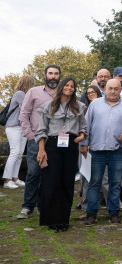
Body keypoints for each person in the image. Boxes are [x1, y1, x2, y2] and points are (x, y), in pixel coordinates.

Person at [34, 77, 86, 232]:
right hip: (52, 145)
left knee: (67, 182)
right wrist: (42, 150)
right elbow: (41, 130)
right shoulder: (48, 106)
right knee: (51, 182)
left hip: (70, 145)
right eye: (67, 85)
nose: (69, 88)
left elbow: (83, 127)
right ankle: (52, 219)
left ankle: (64, 220)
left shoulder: (79, 106)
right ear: (61, 87)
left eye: (72, 86)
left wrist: (81, 136)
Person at [82, 79, 122, 225]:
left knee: (115, 182)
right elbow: (86, 125)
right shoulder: (95, 104)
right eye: (110, 88)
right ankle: (91, 213)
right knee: (94, 182)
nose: (113, 91)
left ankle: (114, 212)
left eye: (116, 89)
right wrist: (84, 144)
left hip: (117, 150)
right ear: (105, 88)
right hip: (96, 150)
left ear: (120, 90)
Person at [17, 64, 60, 219]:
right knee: (34, 173)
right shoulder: (33, 92)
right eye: (50, 73)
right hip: (36, 138)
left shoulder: (63, 93)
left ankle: (45, 206)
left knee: (50, 174)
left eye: (56, 73)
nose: (53, 76)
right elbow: (24, 114)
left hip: (56, 141)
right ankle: (28, 206)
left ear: (59, 76)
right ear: (45, 75)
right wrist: (29, 135)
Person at [3, 75, 34, 189]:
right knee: (15, 152)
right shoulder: (20, 94)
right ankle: (7, 180)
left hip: (22, 127)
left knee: (20, 153)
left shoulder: (25, 95)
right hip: (13, 126)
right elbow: (27, 109)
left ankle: (15, 178)